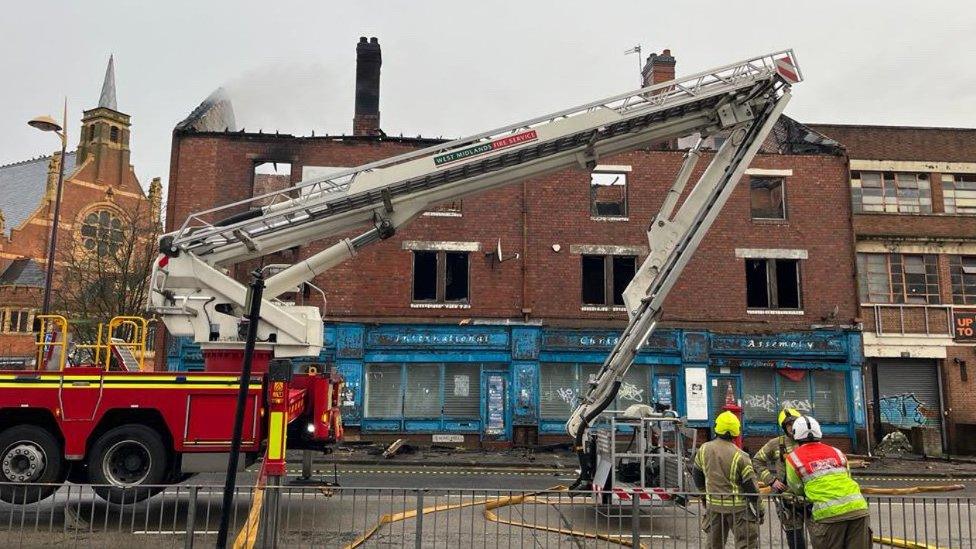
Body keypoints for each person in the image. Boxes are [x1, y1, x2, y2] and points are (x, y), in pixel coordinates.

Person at [785, 415, 871, 549]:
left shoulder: (793, 458)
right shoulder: (837, 452)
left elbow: (797, 488)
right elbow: (847, 476)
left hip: (828, 517)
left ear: (796, 434)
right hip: (858, 510)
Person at [693, 411, 763, 549]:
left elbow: (697, 476)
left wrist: (704, 496)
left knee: (714, 545)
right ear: (736, 431)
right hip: (738, 509)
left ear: (717, 427)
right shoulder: (741, 456)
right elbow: (751, 488)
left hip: (713, 506)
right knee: (746, 544)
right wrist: (760, 510)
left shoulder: (704, 449)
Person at [753, 408, 805, 549]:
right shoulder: (776, 444)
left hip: (810, 496)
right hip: (788, 499)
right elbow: (757, 461)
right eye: (788, 425)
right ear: (783, 427)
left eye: (794, 424)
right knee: (795, 537)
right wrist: (771, 480)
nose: (791, 428)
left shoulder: (808, 441)